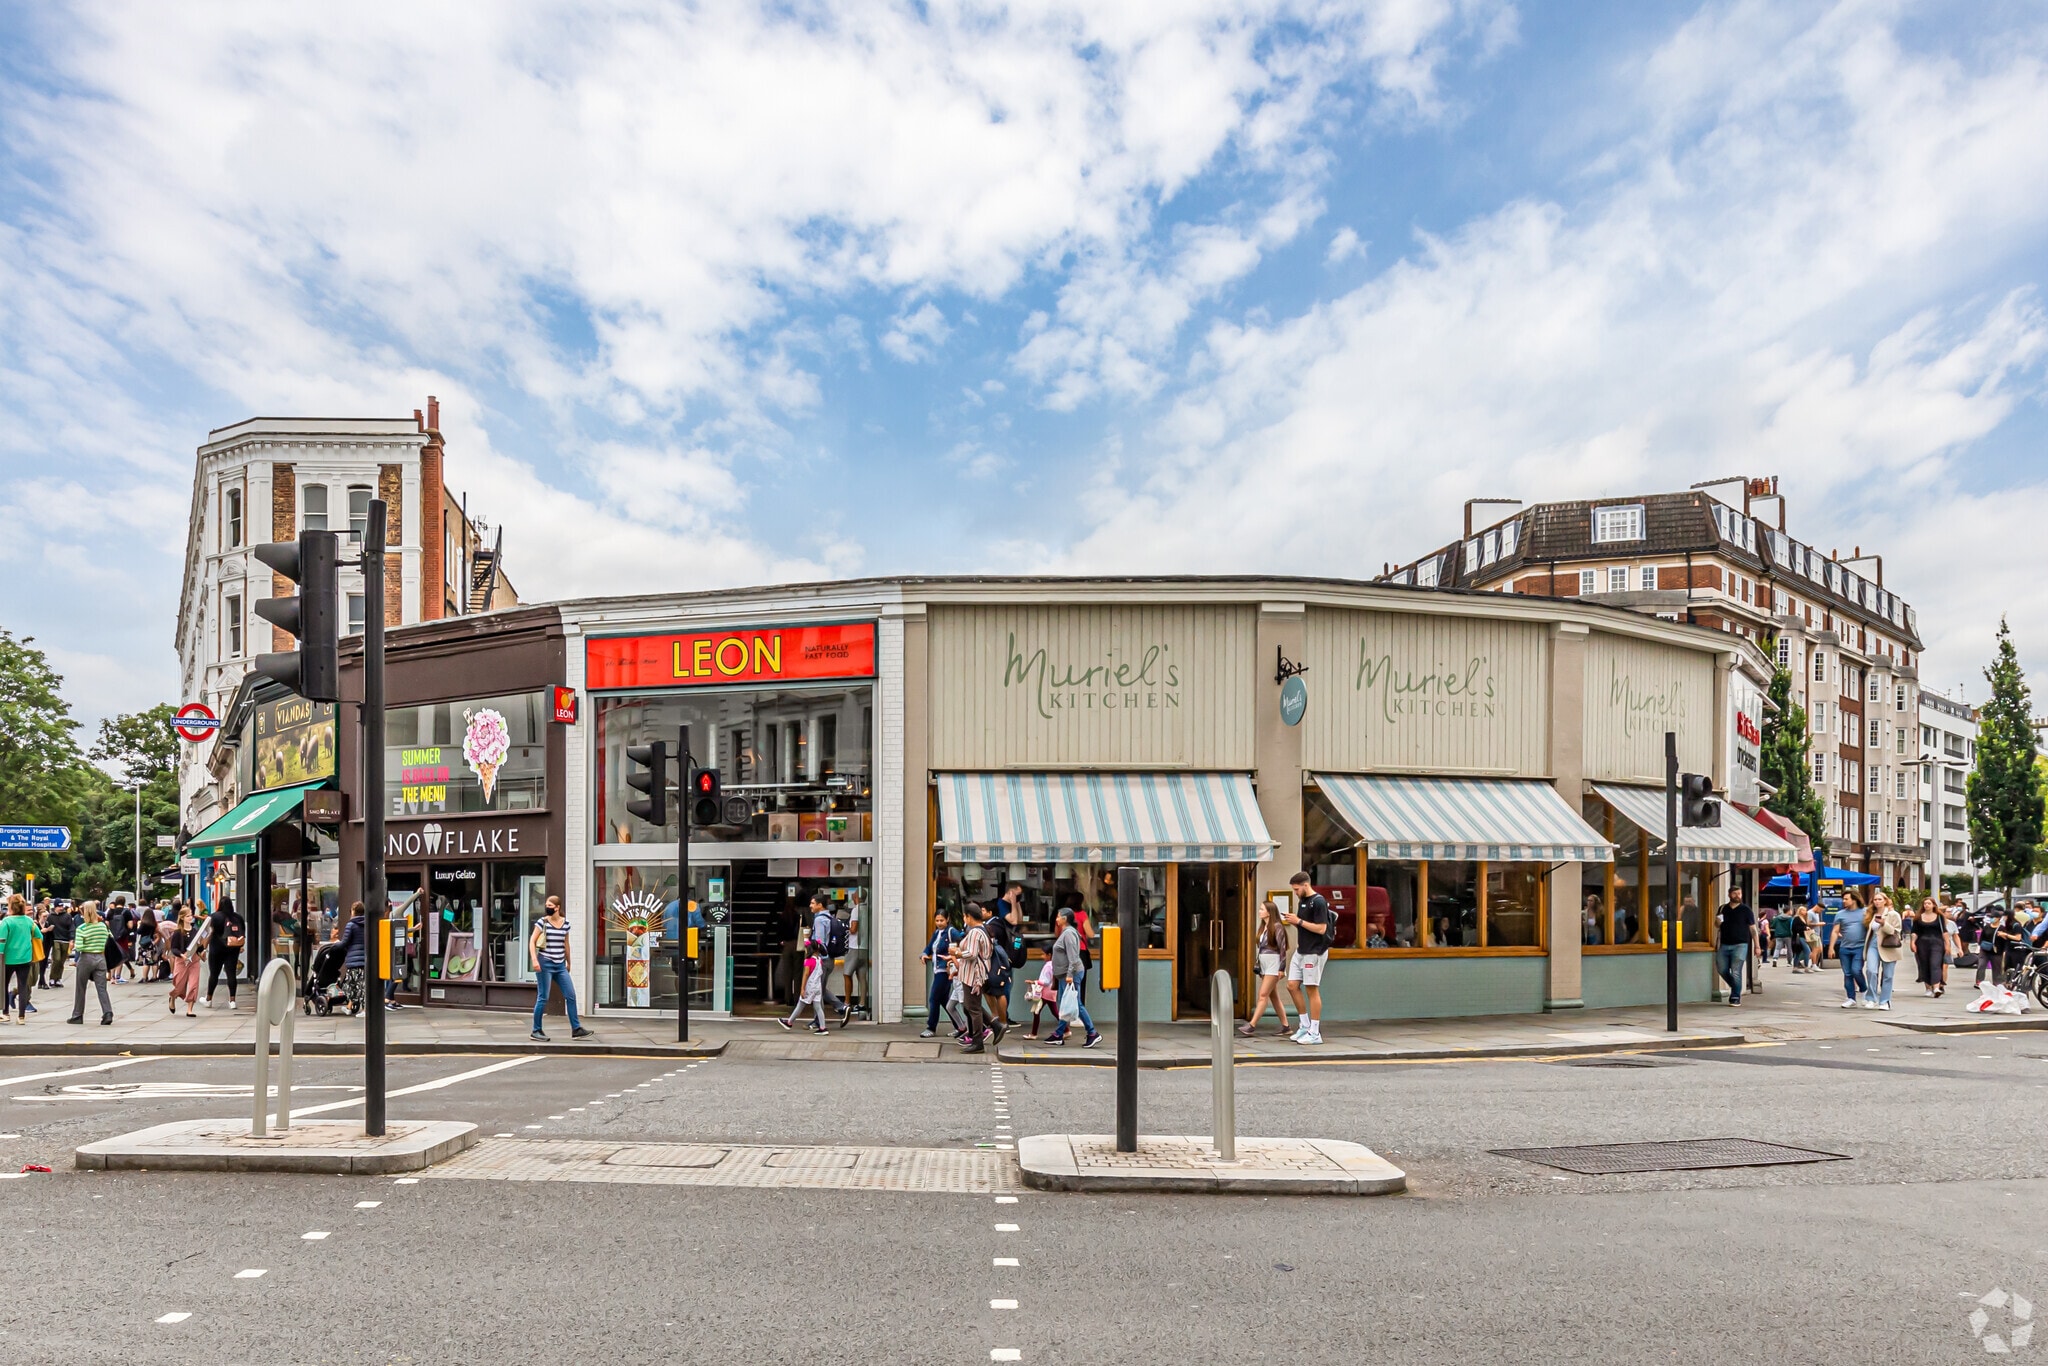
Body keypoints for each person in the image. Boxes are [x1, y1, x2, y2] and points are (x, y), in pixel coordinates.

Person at [527, 894, 593, 1043]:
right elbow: (532, 941)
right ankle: (536, 1030)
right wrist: (534, 959)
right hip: (545, 963)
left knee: (571, 995)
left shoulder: (566, 923)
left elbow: (566, 944)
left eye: (550, 906)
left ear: (558, 908)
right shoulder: (542, 922)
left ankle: (576, 1029)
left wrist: (569, 962)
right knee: (543, 997)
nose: (547, 908)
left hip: (560, 965)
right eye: (546, 906)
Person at [1283, 872, 1334, 1044]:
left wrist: (1298, 921)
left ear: (1305, 885)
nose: (1295, 892)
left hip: (1314, 951)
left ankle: (1315, 1031)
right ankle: (1304, 1025)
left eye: (1297, 889)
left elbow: (1321, 929)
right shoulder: (1303, 901)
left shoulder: (1318, 901)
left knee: (1311, 989)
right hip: (1302, 950)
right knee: (1291, 985)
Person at [947, 903, 1002, 1053]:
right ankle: (995, 1025)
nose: (964, 919)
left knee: (973, 1009)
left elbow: (971, 954)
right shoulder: (983, 929)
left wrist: (956, 953)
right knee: (970, 1006)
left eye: (965, 916)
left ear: (969, 917)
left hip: (973, 975)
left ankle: (978, 1042)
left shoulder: (975, 932)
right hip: (974, 974)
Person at [1043, 907, 1098, 1048]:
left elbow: (1073, 957)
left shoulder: (1068, 934)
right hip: (1065, 974)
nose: (1056, 919)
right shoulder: (1066, 932)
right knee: (1066, 1004)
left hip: (1071, 974)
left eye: (1058, 916)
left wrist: (1069, 975)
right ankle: (1058, 1034)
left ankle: (1092, 1033)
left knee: (1075, 1004)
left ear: (1065, 919)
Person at [1240, 898, 1293, 1038]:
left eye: (1262, 909)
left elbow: (1282, 949)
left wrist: (1281, 968)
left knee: (1263, 995)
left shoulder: (1277, 927)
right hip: (1265, 964)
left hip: (1274, 965)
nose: (1259, 911)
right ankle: (1286, 1026)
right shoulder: (1263, 927)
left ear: (1269, 912)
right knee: (1274, 996)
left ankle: (1251, 1025)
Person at [66, 901, 114, 1026]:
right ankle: (107, 1012)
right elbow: (110, 939)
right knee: (102, 988)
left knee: (81, 987)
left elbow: (80, 947)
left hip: (86, 958)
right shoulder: (103, 926)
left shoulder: (82, 928)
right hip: (100, 957)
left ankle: (77, 1015)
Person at [808, 893, 852, 1029]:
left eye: (813, 903)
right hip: (829, 960)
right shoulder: (829, 917)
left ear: (820, 905)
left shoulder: (819, 920)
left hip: (822, 960)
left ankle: (819, 1021)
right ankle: (840, 1008)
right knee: (820, 989)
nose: (810, 906)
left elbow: (821, 942)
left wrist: (816, 955)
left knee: (817, 991)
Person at [919, 910, 963, 1039]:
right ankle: (960, 1026)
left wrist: (951, 956)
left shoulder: (951, 932)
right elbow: (929, 947)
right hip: (937, 970)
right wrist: (923, 954)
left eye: (941, 920)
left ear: (947, 919)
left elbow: (963, 944)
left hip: (945, 971)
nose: (939, 923)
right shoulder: (937, 933)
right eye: (937, 920)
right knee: (944, 1001)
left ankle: (931, 1027)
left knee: (933, 999)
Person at [1714, 885, 1757, 1006]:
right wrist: (1718, 921)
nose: (1737, 896)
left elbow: (1753, 929)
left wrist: (1757, 946)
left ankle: (1735, 996)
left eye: (1739, 893)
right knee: (1721, 969)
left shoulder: (1746, 910)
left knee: (1736, 971)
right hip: (1724, 944)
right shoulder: (1723, 908)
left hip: (1741, 944)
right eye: (1735, 894)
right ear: (1729, 895)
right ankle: (1736, 987)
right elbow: (1717, 925)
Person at [1, 894, 41, 1023]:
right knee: (23, 986)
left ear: (11, 907)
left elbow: (1, 941)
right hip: (25, 958)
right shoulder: (29, 921)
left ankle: (6, 1013)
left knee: (4, 985)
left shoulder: (6, 922)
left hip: (7, 959)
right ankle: (21, 1016)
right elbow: (39, 936)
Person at [1826, 889, 1869, 1007]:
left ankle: (1864, 990)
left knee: (1856, 970)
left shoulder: (1865, 912)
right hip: (1845, 947)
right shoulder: (1840, 914)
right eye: (1843, 899)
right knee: (1847, 973)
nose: (1843, 901)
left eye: (1846, 899)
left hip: (1860, 946)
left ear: (1854, 899)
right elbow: (1835, 931)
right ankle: (1851, 998)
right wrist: (1831, 948)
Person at [204, 895, 246, 1009]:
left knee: (214, 974)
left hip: (216, 949)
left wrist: (204, 946)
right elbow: (242, 934)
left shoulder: (214, 917)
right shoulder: (238, 918)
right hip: (233, 949)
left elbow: (208, 932)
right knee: (231, 974)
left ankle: (209, 999)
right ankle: (232, 1000)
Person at [995, 885, 1027, 1024]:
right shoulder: (1001, 904)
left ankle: (1004, 1015)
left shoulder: (1011, 905)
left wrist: (1017, 903)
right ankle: (1003, 1017)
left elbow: (1018, 920)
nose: (1017, 898)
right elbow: (1012, 920)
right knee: (1006, 984)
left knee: (1009, 983)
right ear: (1009, 892)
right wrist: (1013, 902)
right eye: (1016, 895)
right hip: (1003, 949)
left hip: (1010, 947)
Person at [781, 946, 830, 1033]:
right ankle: (823, 1027)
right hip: (817, 987)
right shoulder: (819, 960)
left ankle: (789, 1022)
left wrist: (802, 988)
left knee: (800, 1005)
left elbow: (806, 975)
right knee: (818, 1008)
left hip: (810, 987)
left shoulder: (808, 961)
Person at [1868, 892, 1903, 1010]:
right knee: (1871, 971)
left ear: (1885, 901)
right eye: (1875, 900)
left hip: (1888, 945)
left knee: (1888, 975)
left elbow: (1896, 931)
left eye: (1879, 899)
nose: (1877, 902)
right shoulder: (1870, 914)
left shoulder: (1893, 914)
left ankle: (1885, 1001)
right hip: (1873, 944)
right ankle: (1871, 998)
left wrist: (1884, 923)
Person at [166, 904, 202, 1016]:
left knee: (194, 984)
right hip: (181, 961)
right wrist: (182, 955)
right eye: (188, 916)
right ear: (182, 918)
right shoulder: (178, 932)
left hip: (194, 960)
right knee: (179, 985)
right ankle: (172, 996)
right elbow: (174, 948)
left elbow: (199, 947)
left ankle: (189, 1009)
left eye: (191, 915)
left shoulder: (195, 931)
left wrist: (202, 949)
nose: (190, 918)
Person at [1910, 898, 1947, 998]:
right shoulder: (1918, 917)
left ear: (1934, 905)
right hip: (1922, 943)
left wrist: (1948, 944)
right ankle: (1928, 988)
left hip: (1937, 943)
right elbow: (1914, 932)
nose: (1926, 905)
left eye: (1929, 903)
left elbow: (1944, 931)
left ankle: (1936, 987)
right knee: (1924, 964)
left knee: (1935, 963)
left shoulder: (1939, 917)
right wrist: (1912, 943)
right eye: (1925, 903)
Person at [336, 902, 368, 1016]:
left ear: (354, 911)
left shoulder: (351, 925)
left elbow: (345, 942)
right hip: (364, 959)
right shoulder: (367, 923)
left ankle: (364, 1010)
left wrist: (336, 944)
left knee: (354, 985)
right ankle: (349, 1007)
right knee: (356, 984)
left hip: (354, 960)